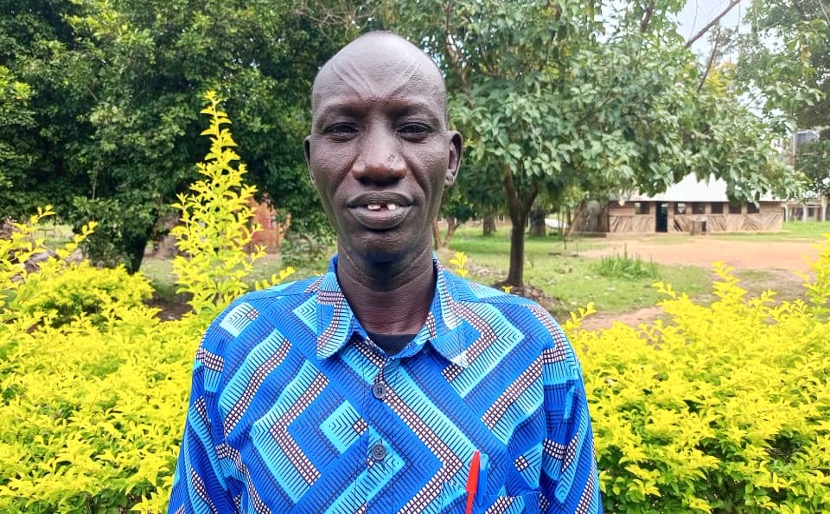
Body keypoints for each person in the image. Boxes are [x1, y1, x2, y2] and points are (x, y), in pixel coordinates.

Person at [168, 31, 602, 513]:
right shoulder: (239, 345)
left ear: (451, 158)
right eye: (343, 129)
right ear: (313, 162)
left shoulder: (533, 349)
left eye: (413, 128)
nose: (378, 162)